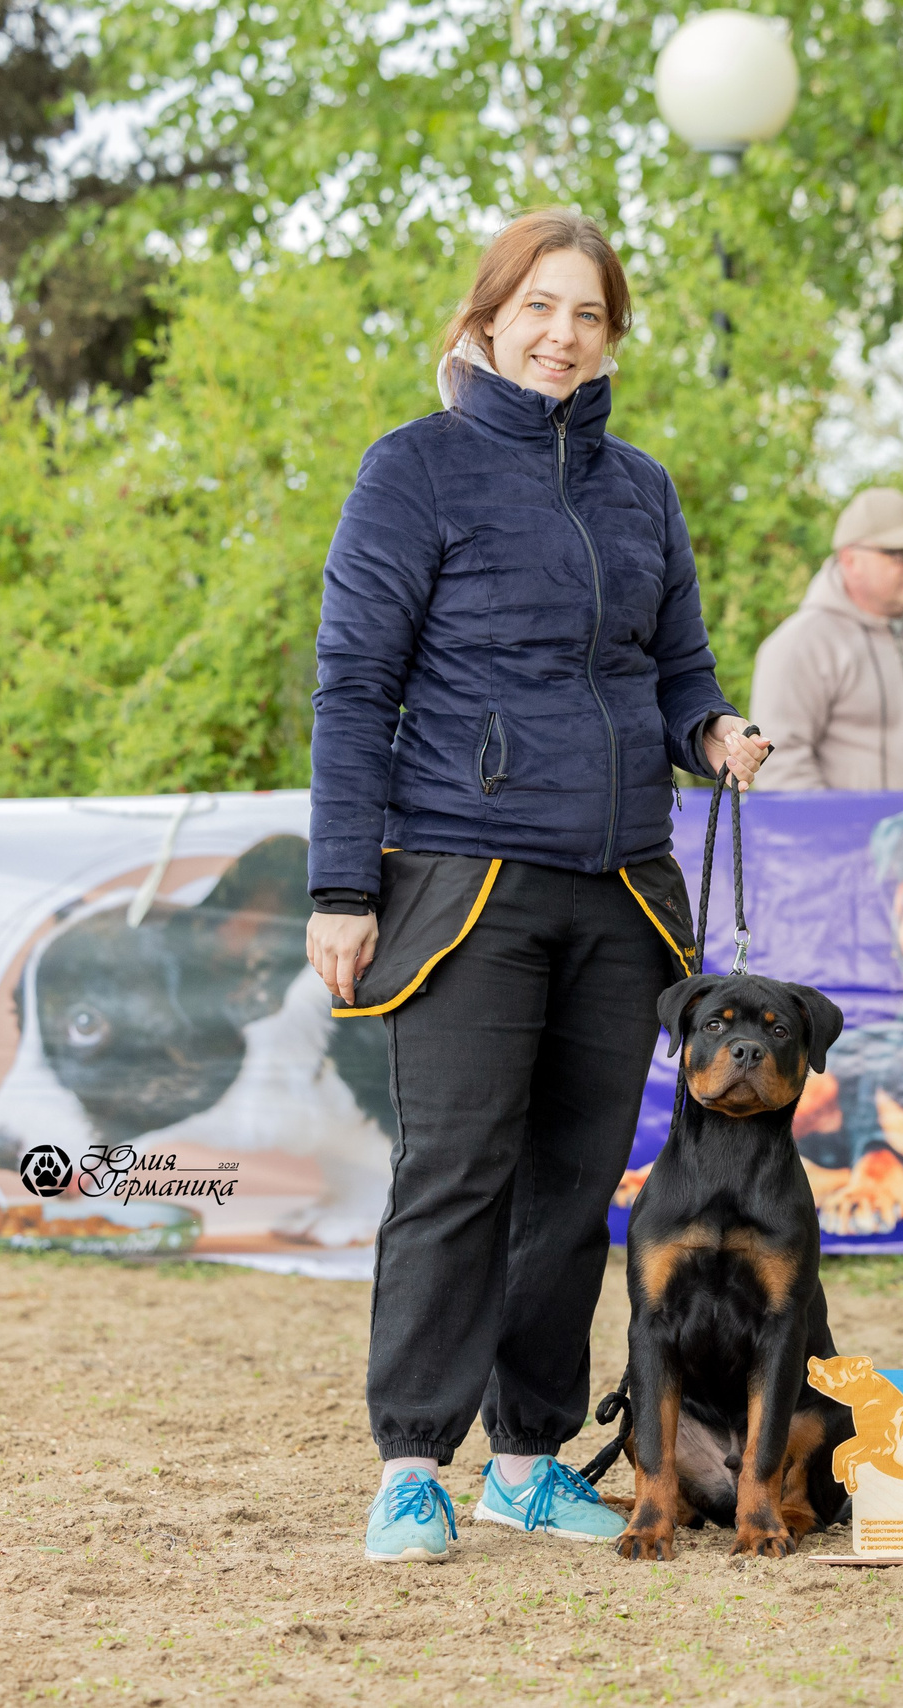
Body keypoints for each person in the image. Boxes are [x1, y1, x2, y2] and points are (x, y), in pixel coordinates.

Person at [302, 208, 772, 1563]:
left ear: (610, 335)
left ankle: (527, 1456)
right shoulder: (413, 472)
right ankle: (412, 1463)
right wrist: (344, 890)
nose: (563, 334)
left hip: (622, 887)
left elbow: (677, 669)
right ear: (488, 316)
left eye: (589, 315)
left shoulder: (644, 489)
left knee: (574, 1184)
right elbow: (352, 692)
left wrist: (714, 732)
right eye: (541, 308)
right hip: (463, 880)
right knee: (455, 1174)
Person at [748, 487, 903, 791]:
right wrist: (839, 835)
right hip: (848, 837)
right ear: (850, 560)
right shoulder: (800, 644)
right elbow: (781, 766)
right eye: (899, 553)